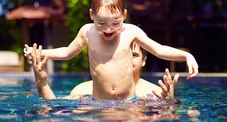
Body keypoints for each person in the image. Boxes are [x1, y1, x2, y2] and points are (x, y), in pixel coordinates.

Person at [24, 0, 198, 100]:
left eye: (115, 23)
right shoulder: (87, 32)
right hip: (99, 102)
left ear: (124, 15)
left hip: (129, 101)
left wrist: (186, 55)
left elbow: (159, 50)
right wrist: (40, 53)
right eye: (101, 23)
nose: (108, 29)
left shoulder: (131, 32)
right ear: (92, 15)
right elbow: (67, 52)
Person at [27, 42, 179, 100]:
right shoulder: (83, 89)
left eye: (133, 55)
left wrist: (169, 103)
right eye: (121, 54)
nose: (125, 60)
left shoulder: (155, 92)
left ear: (144, 60)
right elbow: (53, 111)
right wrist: (42, 83)